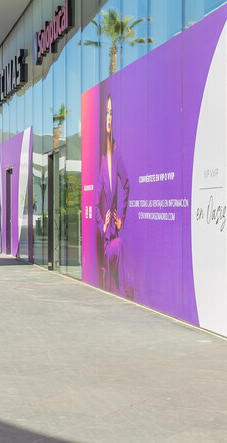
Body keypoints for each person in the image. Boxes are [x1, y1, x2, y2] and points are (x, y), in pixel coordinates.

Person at [95, 92, 132, 299]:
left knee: (119, 246)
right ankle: (122, 289)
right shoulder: (100, 157)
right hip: (105, 238)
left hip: (114, 234)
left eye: (111, 113)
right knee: (114, 251)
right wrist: (102, 224)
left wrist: (121, 219)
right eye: (106, 113)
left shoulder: (116, 154)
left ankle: (123, 291)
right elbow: (93, 200)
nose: (109, 117)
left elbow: (127, 185)